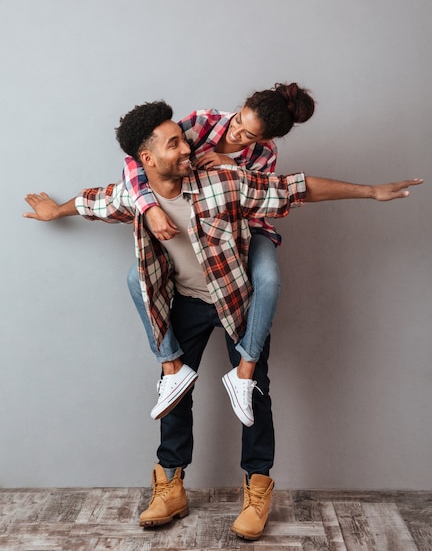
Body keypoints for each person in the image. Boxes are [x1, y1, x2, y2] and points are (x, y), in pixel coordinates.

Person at [23, 100, 422, 541]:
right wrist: (54, 210)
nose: (188, 147)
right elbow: (93, 201)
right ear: (147, 160)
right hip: (185, 304)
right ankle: (170, 486)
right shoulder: (135, 197)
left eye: (184, 138)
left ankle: (257, 488)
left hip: (237, 302)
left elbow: (295, 188)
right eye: (175, 143)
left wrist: (371, 191)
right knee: (173, 392)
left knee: (254, 394)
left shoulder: (224, 181)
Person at [122, 82, 315, 424]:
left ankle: (245, 370)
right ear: (240, 106)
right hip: (196, 232)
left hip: (246, 229)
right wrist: (148, 206)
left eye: (249, 136)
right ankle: (171, 367)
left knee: (268, 280)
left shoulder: (265, 155)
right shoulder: (200, 123)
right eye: (239, 120)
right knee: (136, 279)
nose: (237, 132)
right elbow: (142, 156)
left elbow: (258, 201)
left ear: (264, 140)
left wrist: (230, 166)